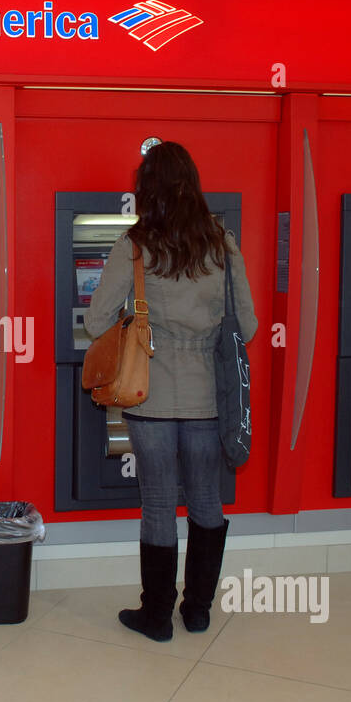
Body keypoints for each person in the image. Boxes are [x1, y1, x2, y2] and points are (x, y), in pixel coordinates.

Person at [84, 141, 257, 642]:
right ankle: (197, 610)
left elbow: (97, 320)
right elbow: (246, 323)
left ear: (146, 190)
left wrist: (137, 317)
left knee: (158, 503)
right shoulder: (221, 242)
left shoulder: (134, 245)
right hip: (208, 395)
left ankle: (156, 616)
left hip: (148, 391)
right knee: (207, 499)